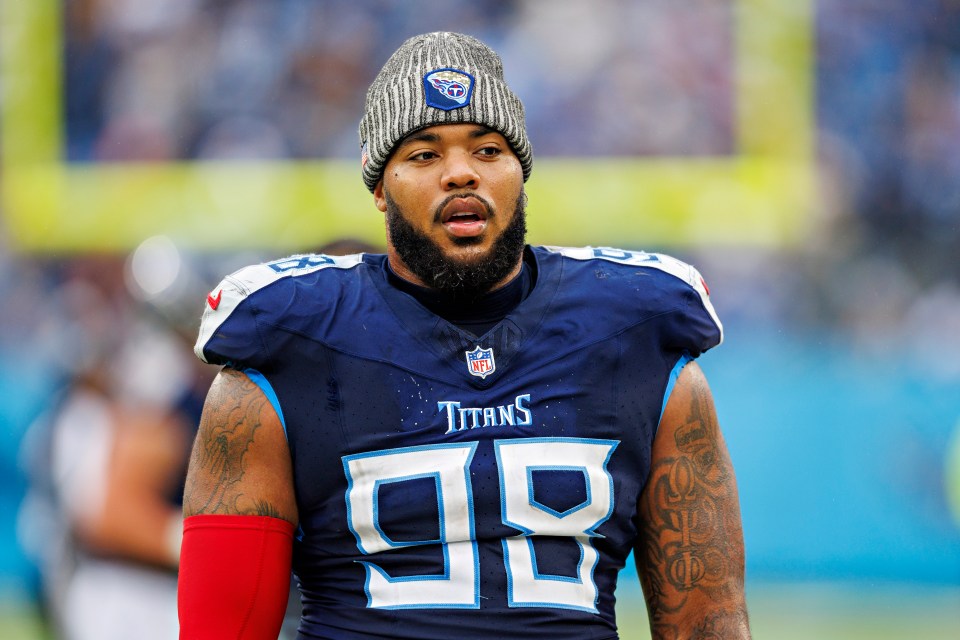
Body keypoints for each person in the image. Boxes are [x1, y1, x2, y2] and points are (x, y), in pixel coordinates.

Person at [178, 31, 750, 639]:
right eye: (424, 155)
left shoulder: (635, 334)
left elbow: (707, 626)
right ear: (379, 187)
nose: (460, 174)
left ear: (520, 172)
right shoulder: (289, 349)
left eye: (487, 150)